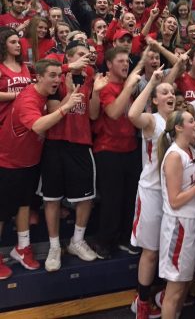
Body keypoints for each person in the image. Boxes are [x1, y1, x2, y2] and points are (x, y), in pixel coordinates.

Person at [0, 59, 82, 280]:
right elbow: (38, 126)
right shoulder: (28, 99)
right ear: (39, 77)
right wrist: (65, 107)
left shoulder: (42, 86)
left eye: (59, 76)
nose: (57, 80)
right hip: (9, 162)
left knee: (25, 204)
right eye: (52, 76)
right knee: (2, 212)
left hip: (30, 161)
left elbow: (55, 69)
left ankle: (23, 248)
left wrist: (70, 66)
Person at [41, 41, 108, 272]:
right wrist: (69, 84)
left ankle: (76, 241)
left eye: (86, 54)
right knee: (51, 198)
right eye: (80, 54)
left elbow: (92, 113)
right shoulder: (58, 76)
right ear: (68, 57)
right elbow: (52, 111)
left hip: (81, 142)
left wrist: (96, 93)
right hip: (56, 142)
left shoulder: (90, 76)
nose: (85, 58)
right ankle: (53, 246)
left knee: (86, 197)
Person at [128, 68, 175, 319]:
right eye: (165, 92)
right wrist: (152, 84)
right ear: (155, 100)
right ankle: (142, 302)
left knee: (168, 251)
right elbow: (132, 113)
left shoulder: (181, 119)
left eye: (172, 92)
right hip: (152, 192)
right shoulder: (152, 120)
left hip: (175, 191)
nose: (171, 95)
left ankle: (165, 295)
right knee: (151, 251)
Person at [93, 47, 142, 256]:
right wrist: (128, 88)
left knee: (130, 197)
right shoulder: (104, 85)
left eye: (127, 61)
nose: (125, 64)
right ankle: (104, 242)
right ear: (110, 64)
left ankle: (125, 238)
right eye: (120, 61)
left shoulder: (126, 84)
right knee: (112, 200)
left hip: (130, 148)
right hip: (108, 149)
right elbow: (113, 112)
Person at [157, 110, 195, 319]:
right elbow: (175, 200)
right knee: (174, 291)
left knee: (184, 284)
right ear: (178, 127)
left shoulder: (191, 150)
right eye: (191, 121)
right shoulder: (175, 155)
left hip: (191, 221)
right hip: (179, 225)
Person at [0, 28, 32, 127]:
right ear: (3, 45)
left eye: (18, 42)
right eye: (13, 42)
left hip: (24, 119)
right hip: (4, 121)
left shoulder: (24, 66)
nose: (18, 45)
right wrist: (17, 95)